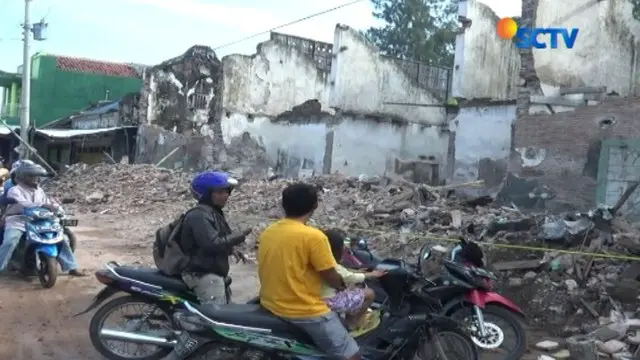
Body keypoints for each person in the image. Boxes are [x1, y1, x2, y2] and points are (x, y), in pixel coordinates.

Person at [258, 183, 361, 360]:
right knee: (352, 355)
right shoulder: (314, 237)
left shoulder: (269, 231)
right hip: (304, 310)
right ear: (314, 206)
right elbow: (329, 274)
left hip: (270, 303)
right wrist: (342, 286)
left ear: (284, 205)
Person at [174, 171, 251, 305]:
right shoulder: (199, 216)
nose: (226, 195)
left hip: (211, 271)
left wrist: (230, 250)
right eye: (220, 192)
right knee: (215, 318)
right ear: (207, 195)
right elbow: (212, 244)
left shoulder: (212, 212)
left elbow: (216, 238)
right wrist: (240, 235)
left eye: (226, 191)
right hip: (202, 275)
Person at [0, 161, 84, 276]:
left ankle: (71, 267)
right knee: (10, 241)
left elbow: (47, 202)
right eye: (32, 176)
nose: (36, 179)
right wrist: (44, 205)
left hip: (40, 220)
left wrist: (56, 208)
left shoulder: (39, 190)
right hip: (18, 221)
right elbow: (25, 203)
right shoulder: (14, 190)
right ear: (23, 177)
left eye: (37, 176)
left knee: (61, 239)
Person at [321, 228, 384, 331]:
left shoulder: (319, 260)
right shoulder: (331, 265)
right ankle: (352, 323)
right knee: (369, 294)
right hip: (330, 301)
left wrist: (361, 272)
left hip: (319, 297)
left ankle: (350, 316)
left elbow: (345, 272)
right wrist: (372, 274)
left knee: (352, 290)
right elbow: (350, 276)